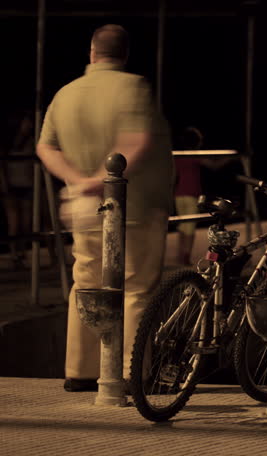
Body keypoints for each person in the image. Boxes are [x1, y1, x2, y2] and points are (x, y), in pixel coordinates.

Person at [35, 24, 174, 392]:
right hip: (135, 206)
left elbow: (45, 147)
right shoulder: (134, 88)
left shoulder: (66, 93)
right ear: (124, 54)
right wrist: (102, 180)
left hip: (83, 205)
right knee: (135, 287)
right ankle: (130, 374)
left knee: (86, 282)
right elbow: (137, 141)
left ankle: (80, 371)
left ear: (92, 52)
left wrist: (79, 182)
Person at [173, 126, 234, 266]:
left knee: (182, 225)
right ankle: (185, 256)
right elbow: (214, 165)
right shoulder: (194, 155)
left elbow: (174, 176)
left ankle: (180, 254)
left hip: (179, 194)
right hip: (192, 194)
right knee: (190, 226)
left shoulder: (178, 156)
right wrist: (230, 158)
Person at [1, 110, 35, 269]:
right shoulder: (7, 143)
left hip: (27, 185)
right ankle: (14, 254)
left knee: (26, 224)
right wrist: (4, 185)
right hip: (11, 187)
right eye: (26, 122)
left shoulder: (31, 141)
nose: (30, 125)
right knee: (14, 223)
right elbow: (2, 167)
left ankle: (22, 253)